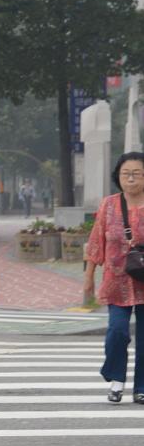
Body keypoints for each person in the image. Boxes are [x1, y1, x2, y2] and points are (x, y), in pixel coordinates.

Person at [84, 151, 144, 404]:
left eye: (136, 174)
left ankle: (141, 387)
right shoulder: (109, 204)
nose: (130, 179)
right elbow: (96, 242)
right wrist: (89, 277)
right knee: (117, 332)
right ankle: (116, 379)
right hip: (115, 280)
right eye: (125, 174)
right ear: (117, 176)